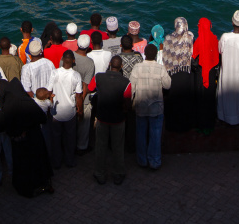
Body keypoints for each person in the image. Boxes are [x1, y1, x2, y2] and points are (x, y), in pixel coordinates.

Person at [3, 78, 53, 198]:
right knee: (38, 162)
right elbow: (42, 118)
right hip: (34, 139)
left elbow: (6, 125)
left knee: (22, 166)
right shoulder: (27, 102)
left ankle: (25, 188)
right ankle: (42, 184)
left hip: (18, 143)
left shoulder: (7, 105)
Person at [88, 56, 131, 185]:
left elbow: (90, 88)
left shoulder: (99, 77)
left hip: (102, 118)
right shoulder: (126, 82)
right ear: (121, 66)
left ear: (110, 64)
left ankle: (99, 173)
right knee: (118, 148)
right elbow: (127, 102)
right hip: (118, 119)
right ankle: (118, 174)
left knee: (101, 147)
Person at [130, 43, 171, 170]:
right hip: (156, 108)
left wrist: (131, 102)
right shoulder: (160, 68)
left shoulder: (137, 67)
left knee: (141, 134)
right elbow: (167, 85)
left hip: (141, 106)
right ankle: (155, 161)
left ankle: (142, 160)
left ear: (145, 54)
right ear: (155, 56)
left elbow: (131, 87)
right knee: (155, 135)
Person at [40, 50, 82, 169]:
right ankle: (69, 160)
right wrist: (80, 111)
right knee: (70, 138)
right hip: (70, 112)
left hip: (56, 112)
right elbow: (78, 95)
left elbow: (49, 92)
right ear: (73, 61)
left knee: (56, 138)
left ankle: (56, 162)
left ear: (62, 59)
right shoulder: (76, 75)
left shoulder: (55, 73)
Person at [216, 10, 239, 125]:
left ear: (232, 22)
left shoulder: (225, 37)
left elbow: (220, 51)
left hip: (227, 71)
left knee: (226, 96)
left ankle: (224, 117)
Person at [20, 39, 55, 153]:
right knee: (49, 131)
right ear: (41, 51)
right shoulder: (49, 63)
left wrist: (37, 98)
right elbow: (54, 83)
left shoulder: (27, 68)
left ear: (29, 53)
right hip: (49, 102)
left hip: (35, 105)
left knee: (36, 134)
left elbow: (27, 90)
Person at [162, 17, 195, 132]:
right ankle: (185, 126)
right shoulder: (190, 37)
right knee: (185, 100)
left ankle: (172, 126)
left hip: (172, 73)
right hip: (186, 73)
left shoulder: (167, 39)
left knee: (173, 100)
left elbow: (165, 57)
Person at [192, 18, 219, 132]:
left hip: (200, 73)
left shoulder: (198, 41)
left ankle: (199, 125)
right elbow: (217, 57)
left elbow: (193, 57)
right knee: (210, 99)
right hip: (211, 73)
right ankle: (210, 126)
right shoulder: (214, 39)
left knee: (200, 99)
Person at [72, 34, 95, 154]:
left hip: (70, 98)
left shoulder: (67, 57)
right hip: (83, 99)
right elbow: (85, 85)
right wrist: (80, 103)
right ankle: (81, 147)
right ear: (88, 47)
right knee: (83, 126)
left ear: (77, 44)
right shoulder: (90, 63)